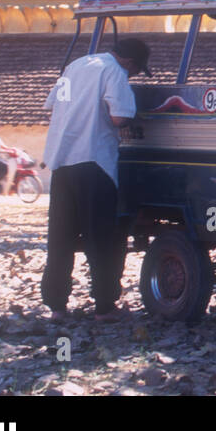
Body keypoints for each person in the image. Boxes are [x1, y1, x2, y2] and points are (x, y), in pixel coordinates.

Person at [40, 38, 150, 323]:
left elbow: (53, 104)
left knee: (61, 238)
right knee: (101, 237)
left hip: (62, 161)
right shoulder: (114, 71)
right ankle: (104, 307)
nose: (132, 77)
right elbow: (119, 117)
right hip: (94, 161)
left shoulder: (76, 66)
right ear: (130, 63)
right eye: (136, 73)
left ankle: (57, 306)